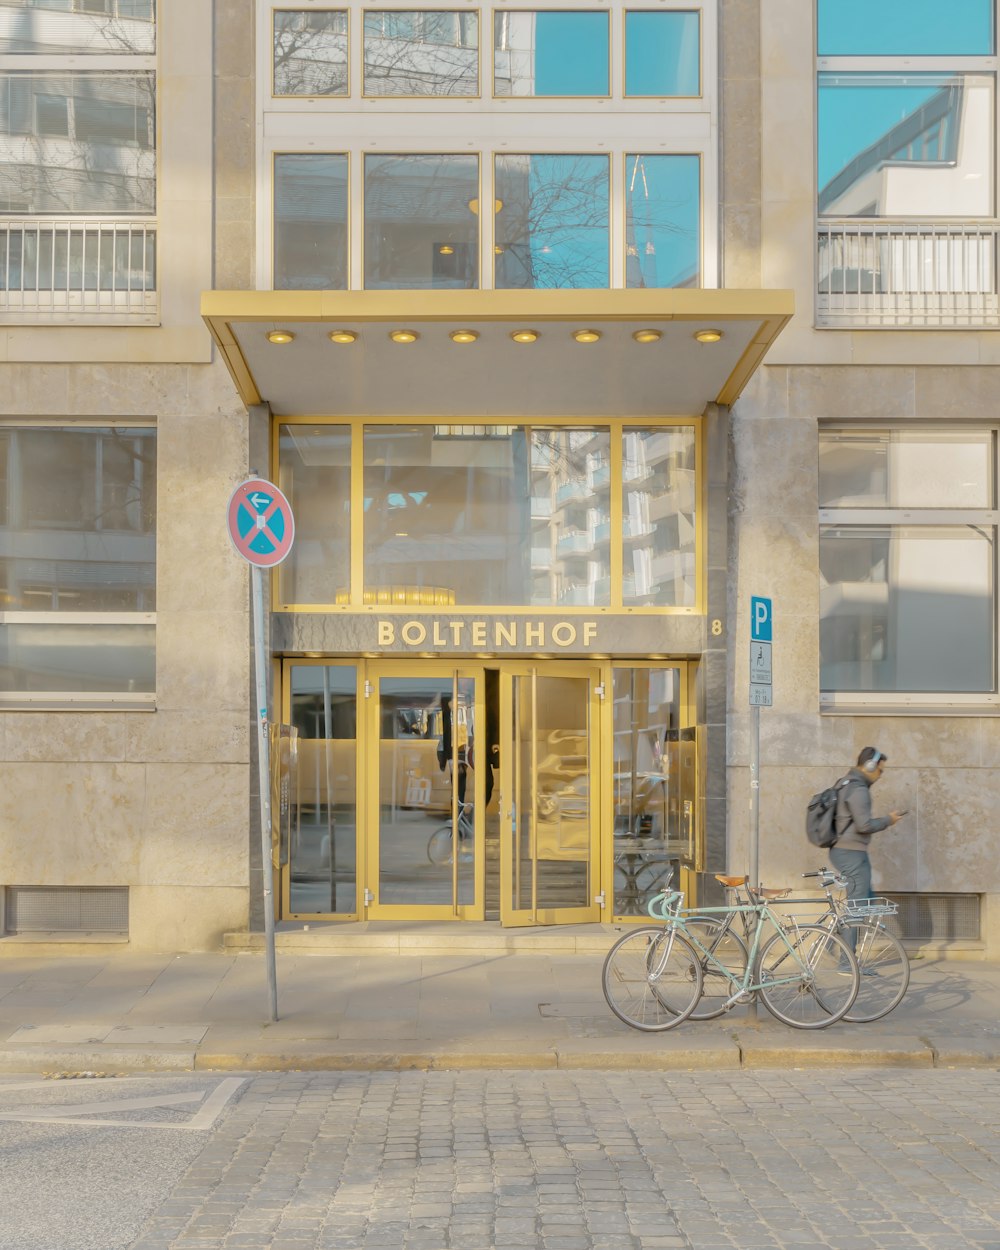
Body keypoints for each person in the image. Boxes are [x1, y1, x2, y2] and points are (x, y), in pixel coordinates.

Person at [830, 746, 905, 909]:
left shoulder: (845, 783)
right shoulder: (858, 788)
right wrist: (888, 820)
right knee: (858, 907)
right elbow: (863, 825)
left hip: (846, 851)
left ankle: (847, 932)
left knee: (866, 900)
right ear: (870, 766)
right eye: (880, 770)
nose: (880, 776)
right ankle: (847, 933)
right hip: (851, 853)